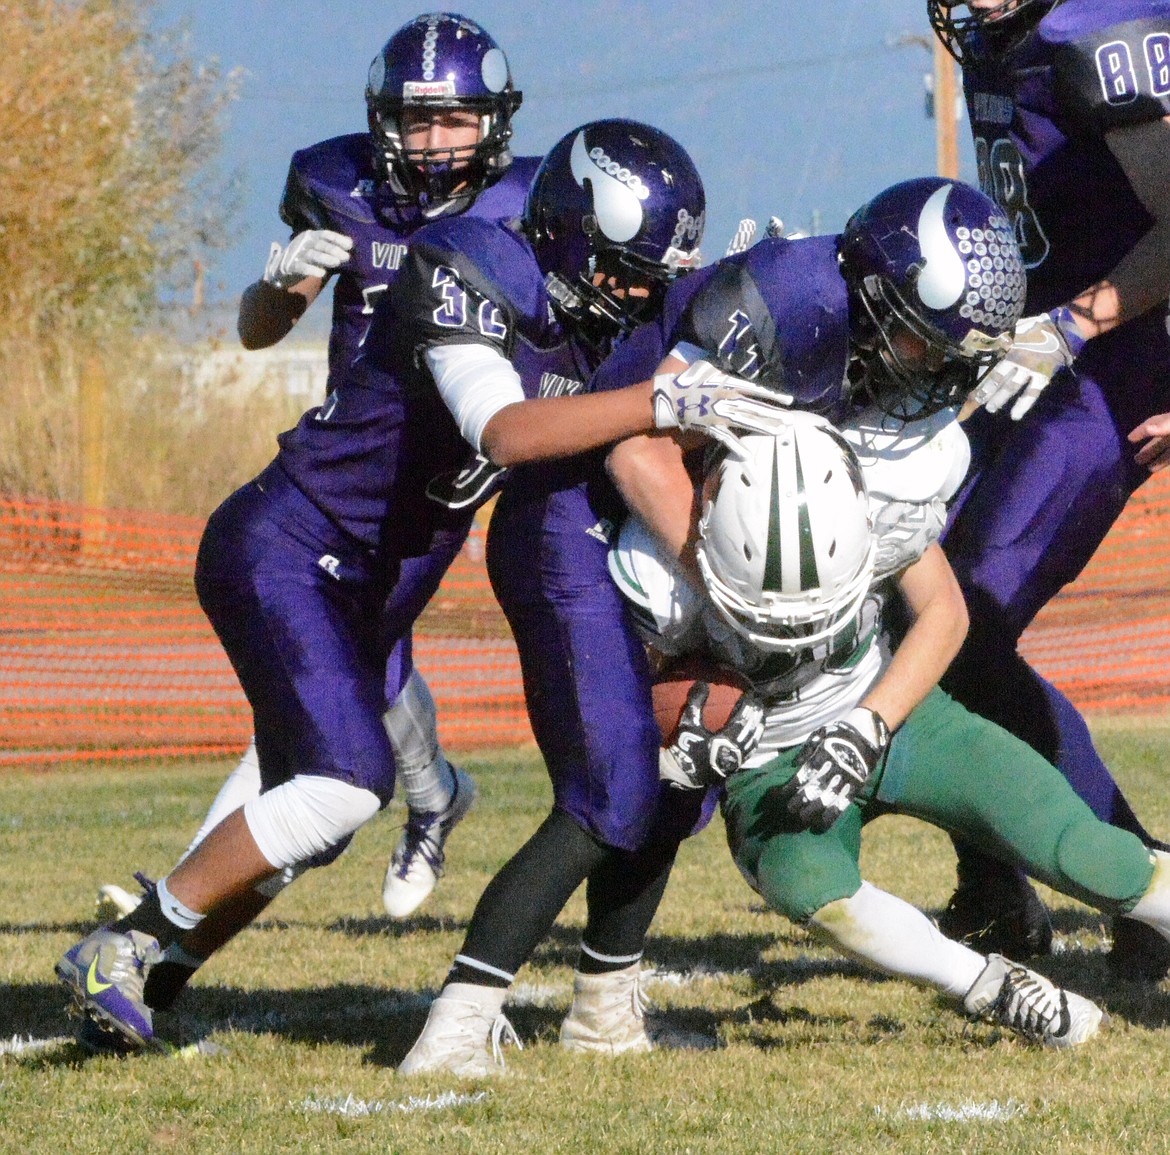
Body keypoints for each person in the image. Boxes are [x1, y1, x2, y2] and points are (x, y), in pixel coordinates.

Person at [54, 118, 771, 1055]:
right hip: (290, 544)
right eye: (625, 268)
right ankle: (125, 945)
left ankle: (152, 977)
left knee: (301, 807)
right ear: (564, 230)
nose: (638, 293)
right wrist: (662, 400)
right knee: (347, 781)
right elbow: (505, 431)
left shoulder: (597, 310)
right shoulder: (467, 263)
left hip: (374, 576)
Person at [394, 177, 1021, 1075]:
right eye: (929, 339)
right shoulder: (782, 306)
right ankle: (459, 1019)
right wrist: (739, 597)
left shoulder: (858, 327)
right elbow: (637, 448)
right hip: (579, 521)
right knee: (611, 788)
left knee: (688, 763)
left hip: (667, 533)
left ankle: (605, 1006)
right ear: (880, 295)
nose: (934, 368)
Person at [93, 14, 540, 939]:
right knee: (329, 706)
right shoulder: (338, 186)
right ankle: (417, 807)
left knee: (334, 708)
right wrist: (278, 281)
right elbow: (259, 329)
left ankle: (180, 904)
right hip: (340, 476)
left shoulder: (526, 207)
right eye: (416, 123)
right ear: (382, 123)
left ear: (494, 123)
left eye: (456, 122)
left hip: (430, 500)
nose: (434, 143)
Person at [608, 413, 1170, 1048]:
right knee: (806, 883)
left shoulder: (882, 495)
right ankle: (991, 987)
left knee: (1083, 852)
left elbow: (944, 613)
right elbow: (632, 702)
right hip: (774, 760)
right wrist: (688, 741)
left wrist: (868, 725)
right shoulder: (658, 570)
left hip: (897, 716)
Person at [924, 0, 1170, 976]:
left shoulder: (1099, 33)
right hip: (1024, 355)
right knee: (913, 607)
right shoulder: (994, 33)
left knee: (966, 617)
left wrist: (1080, 320)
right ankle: (996, 890)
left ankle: (1139, 882)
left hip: (1110, 364)